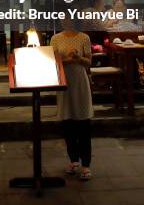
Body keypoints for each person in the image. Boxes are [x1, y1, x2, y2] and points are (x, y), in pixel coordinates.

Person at [51, 18, 93, 181]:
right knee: (68, 123)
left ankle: (86, 165)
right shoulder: (56, 38)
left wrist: (78, 58)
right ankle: (73, 160)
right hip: (64, 81)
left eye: (68, 18)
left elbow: (88, 62)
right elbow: (54, 61)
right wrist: (69, 58)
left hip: (80, 80)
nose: (65, 21)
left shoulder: (84, 38)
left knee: (83, 124)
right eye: (63, 19)